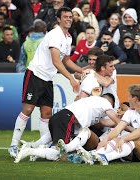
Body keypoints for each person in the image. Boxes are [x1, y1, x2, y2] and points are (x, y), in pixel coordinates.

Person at [8, 7, 84, 158]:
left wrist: (81, 70)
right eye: (66, 17)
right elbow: (56, 61)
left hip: (48, 78)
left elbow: (66, 60)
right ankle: (13, 145)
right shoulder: (55, 35)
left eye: (70, 17)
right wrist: (71, 78)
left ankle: (41, 148)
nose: (69, 19)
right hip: (36, 74)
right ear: (58, 19)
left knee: (46, 113)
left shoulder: (68, 37)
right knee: (28, 110)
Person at [14, 93, 120, 163]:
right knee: (61, 154)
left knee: (59, 147)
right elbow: (114, 119)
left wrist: (125, 124)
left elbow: (105, 122)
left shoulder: (92, 103)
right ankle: (29, 151)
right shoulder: (105, 102)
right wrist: (124, 124)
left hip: (59, 117)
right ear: (110, 103)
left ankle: (32, 146)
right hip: (67, 119)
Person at [80, 84, 140, 165]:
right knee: (117, 139)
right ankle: (94, 155)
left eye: (129, 96)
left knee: (130, 140)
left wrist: (124, 139)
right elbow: (118, 128)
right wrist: (106, 140)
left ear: (135, 98)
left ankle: (105, 158)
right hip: (138, 148)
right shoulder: (130, 111)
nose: (128, 98)